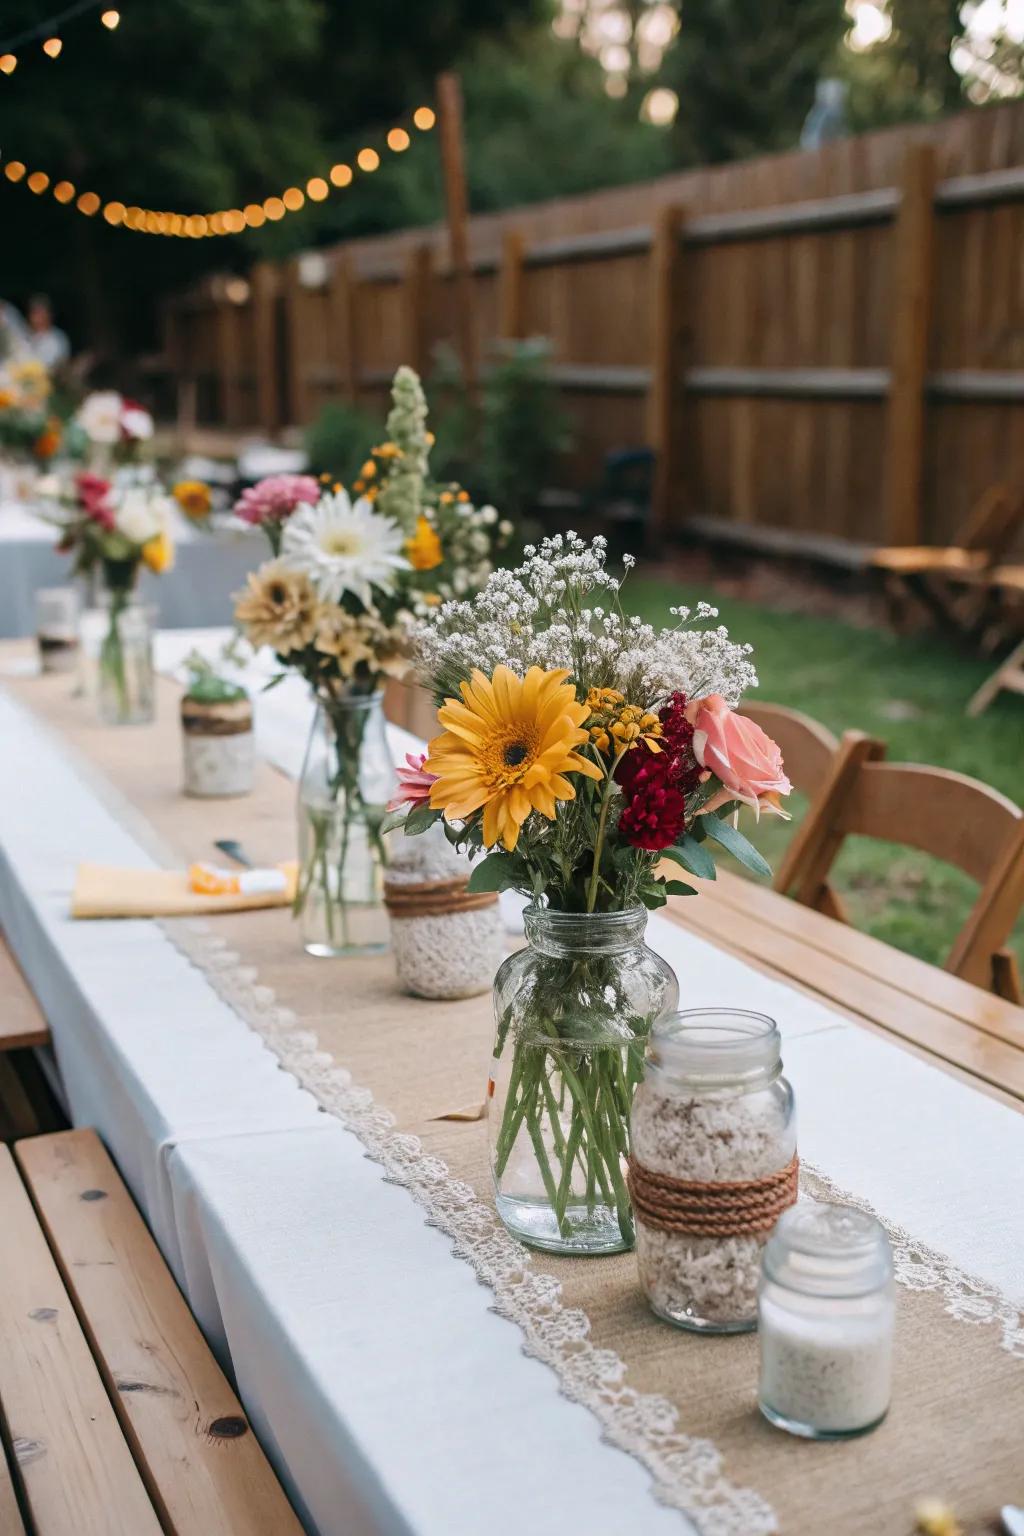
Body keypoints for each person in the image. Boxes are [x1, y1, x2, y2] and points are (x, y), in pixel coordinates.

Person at [25, 293, 70, 371]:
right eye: (34, 313)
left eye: (40, 313)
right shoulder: (24, 336)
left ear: (49, 315)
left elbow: (58, 366)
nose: (37, 318)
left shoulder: (58, 338)